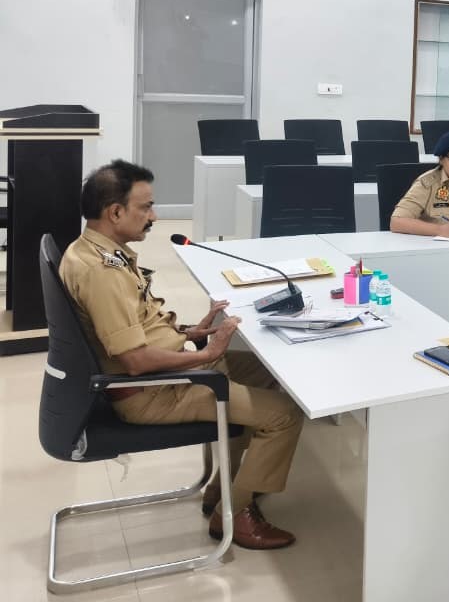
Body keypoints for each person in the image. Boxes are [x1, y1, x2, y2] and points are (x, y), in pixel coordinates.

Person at [60, 160, 302, 549]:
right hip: (152, 391)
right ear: (115, 212)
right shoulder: (101, 273)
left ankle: (222, 489)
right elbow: (135, 360)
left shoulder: (95, 251)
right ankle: (235, 514)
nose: (154, 216)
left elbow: (136, 326)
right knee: (284, 414)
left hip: (159, 373)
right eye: (145, 207)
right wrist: (205, 356)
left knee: (264, 370)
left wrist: (190, 332)